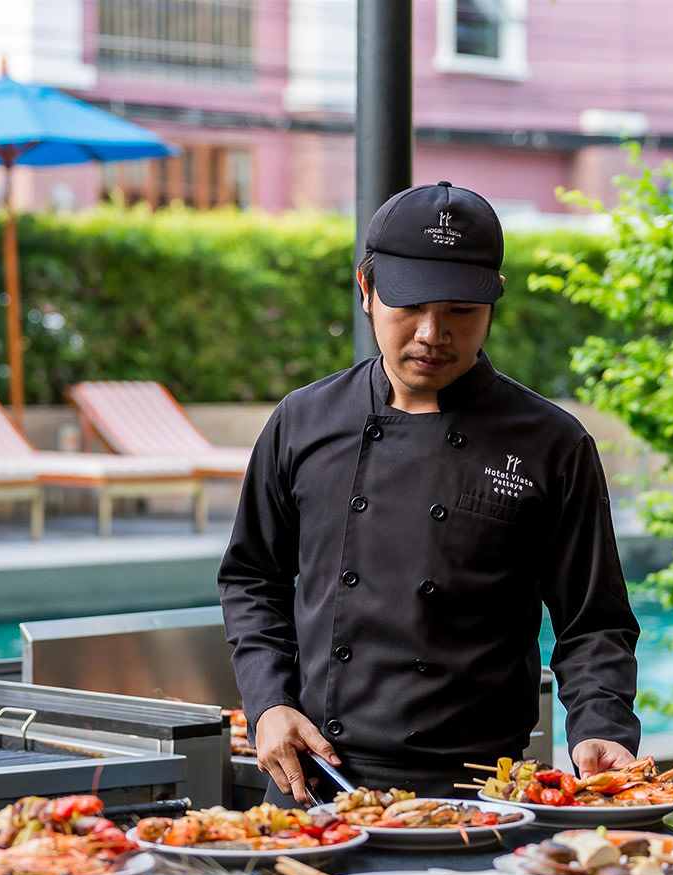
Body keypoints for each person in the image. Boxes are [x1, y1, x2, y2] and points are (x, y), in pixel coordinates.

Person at [218, 181, 640, 806]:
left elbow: (592, 621)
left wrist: (600, 727)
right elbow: (253, 578)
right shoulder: (303, 421)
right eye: (409, 306)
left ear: (493, 305)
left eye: (460, 311)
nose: (432, 333)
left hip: (477, 792)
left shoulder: (552, 444)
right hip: (313, 780)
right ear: (366, 290)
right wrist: (269, 703)